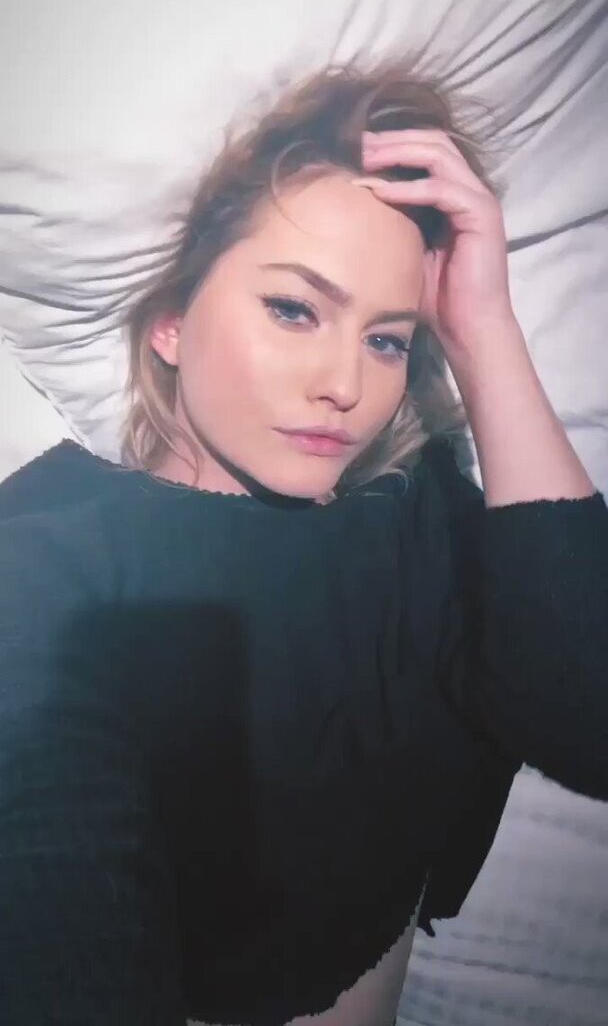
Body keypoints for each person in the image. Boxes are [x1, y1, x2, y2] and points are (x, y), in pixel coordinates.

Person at [0, 61, 606, 1026]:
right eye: (294, 309)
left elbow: (590, 720)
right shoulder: (48, 564)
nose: (346, 386)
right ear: (170, 323)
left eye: (387, 339)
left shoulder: (420, 514)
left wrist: (483, 329)